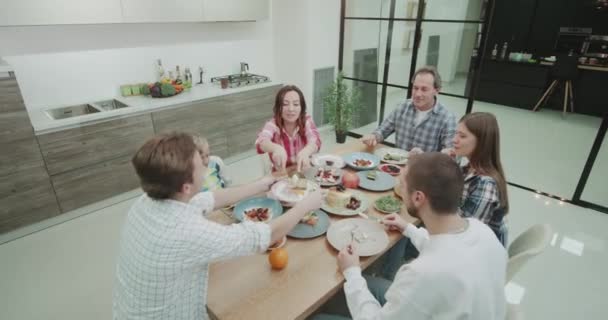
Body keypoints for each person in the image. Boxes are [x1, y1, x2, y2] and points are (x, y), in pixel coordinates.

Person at [113, 132, 322, 320]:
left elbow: (207, 199)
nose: (207, 166)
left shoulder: (147, 201)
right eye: (201, 165)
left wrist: (260, 184)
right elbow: (265, 235)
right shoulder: (185, 231)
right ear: (186, 187)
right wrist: (304, 205)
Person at [316, 153, 507, 320]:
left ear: (418, 197)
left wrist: (351, 271)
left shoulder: (421, 273)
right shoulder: (483, 231)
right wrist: (407, 228)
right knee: (350, 289)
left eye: (401, 185)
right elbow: (447, 250)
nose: (400, 189)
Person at [361, 66, 456, 153]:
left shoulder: (447, 118)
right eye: (415, 88)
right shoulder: (402, 107)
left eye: (424, 89)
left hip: (427, 169)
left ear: (437, 90)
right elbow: (382, 131)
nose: (418, 94)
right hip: (397, 166)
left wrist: (426, 158)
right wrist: (373, 137)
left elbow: (451, 154)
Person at [449, 112, 510, 246]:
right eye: (456, 133)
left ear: (482, 142)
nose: (454, 140)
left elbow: (464, 234)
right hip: (464, 241)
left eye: (462, 136)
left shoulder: (485, 184)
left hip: (475, 254)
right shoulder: (469, 168)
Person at [256, 85, 322, 172]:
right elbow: (260, 142)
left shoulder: (306, 121)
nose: (291, 109)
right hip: (281, 172)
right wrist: (275, 148)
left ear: (301, 108)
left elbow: (316, 140)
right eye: (285, 104)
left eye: (296, 104)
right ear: (278, 107)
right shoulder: (272, 124)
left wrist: (306, 151)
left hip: (304, 169)